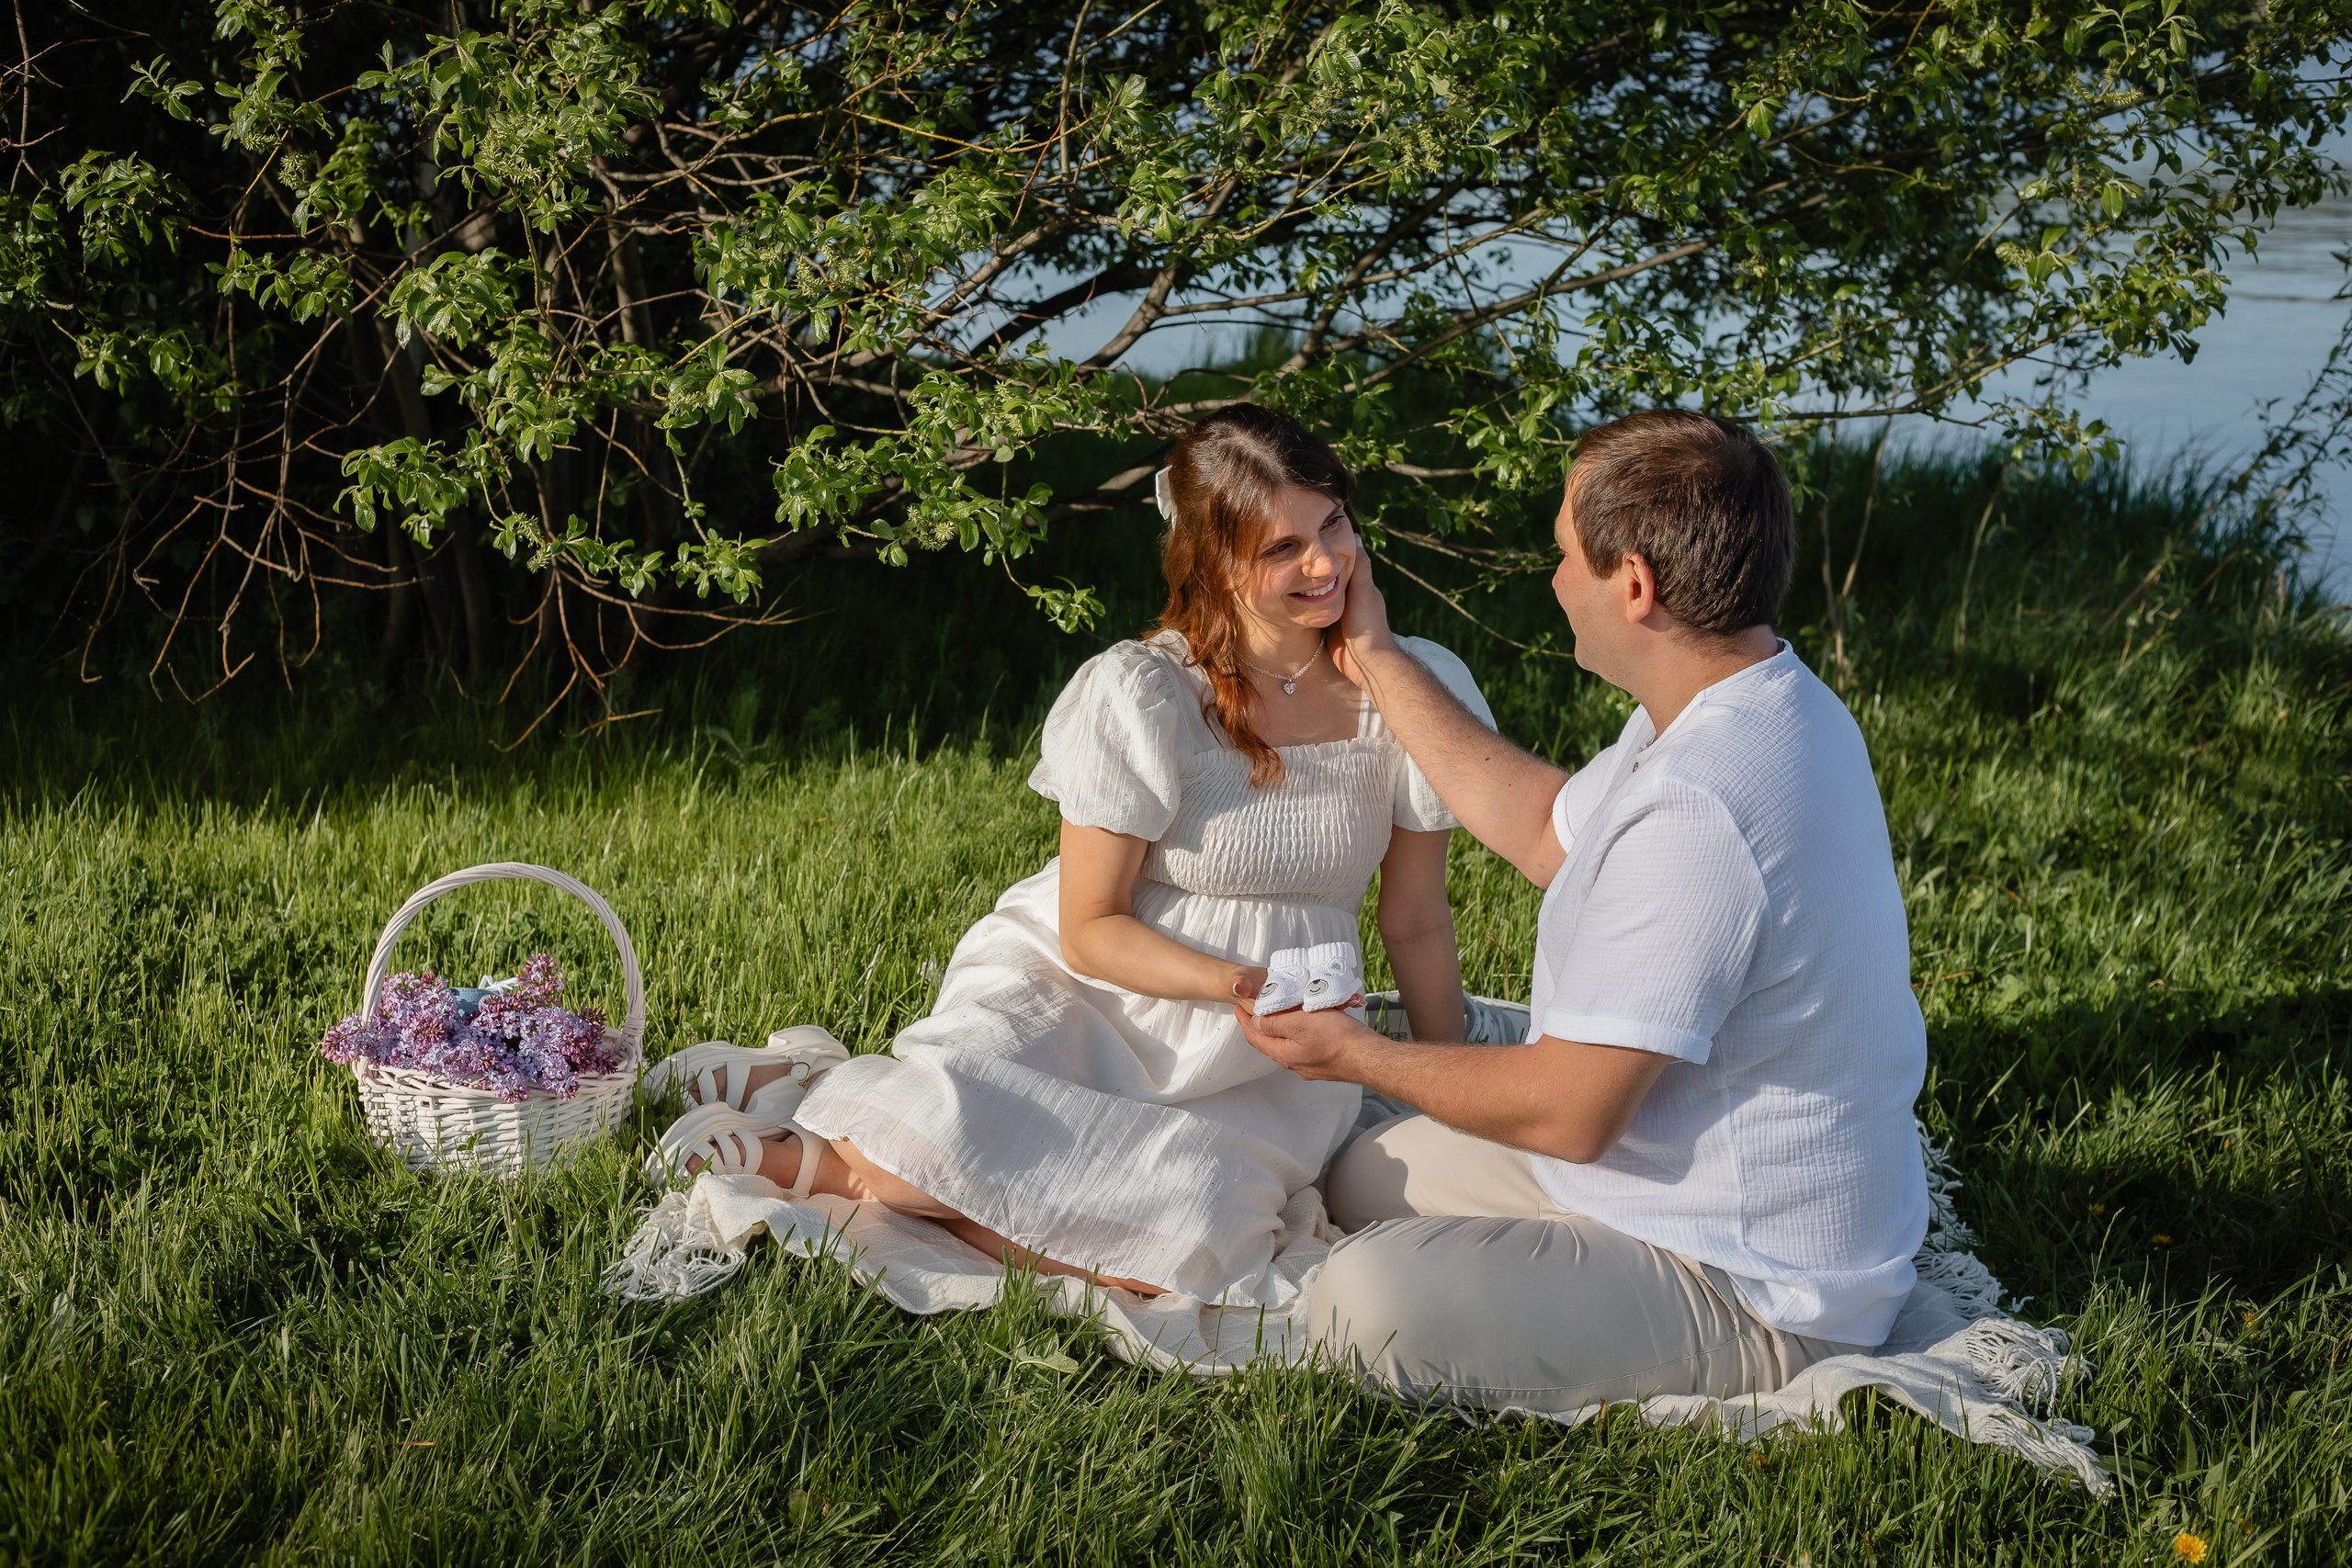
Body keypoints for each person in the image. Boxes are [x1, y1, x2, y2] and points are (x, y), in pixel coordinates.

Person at [648, 404, 1497, 1303]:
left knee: (1192, 1247)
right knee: (930, 1147)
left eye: (1332, 524)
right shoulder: (1146, 692)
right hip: (1084, 993)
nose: (1325, 563)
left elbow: (1414, 919)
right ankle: (817, 1150)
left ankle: (841, 1124)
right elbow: (1090, 929)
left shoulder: (1415, 686)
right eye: (1282, 548)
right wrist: (1234, 982)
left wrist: (1445, 1094)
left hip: (1261, 1059)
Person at [1237, 409, 1929, 1412]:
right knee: (1361, 1177)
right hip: (1650, 1179)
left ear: (1634, 584)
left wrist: (1353, 1054)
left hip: (1749, 1273)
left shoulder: (1703, 802)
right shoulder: (1747, 701)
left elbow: (1570, 1114)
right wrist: (1379, 660)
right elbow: (1546, 832)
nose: (1555, 579)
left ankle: (1747, 1349)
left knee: (1358, 1300)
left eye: (1564, 554)